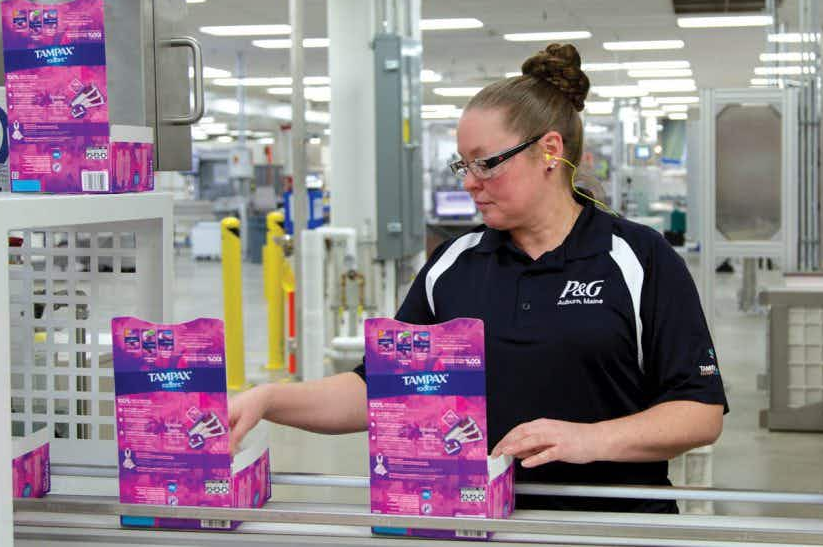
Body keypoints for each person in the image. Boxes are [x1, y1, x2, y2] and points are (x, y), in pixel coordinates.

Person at [229, 43, 727, 513]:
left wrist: (589, 439)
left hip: (612, 525)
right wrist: (269, 398)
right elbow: (379, 389)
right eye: (462, 165)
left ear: (550, 151)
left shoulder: (638, 258)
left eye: (486, 163)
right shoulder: (454, 265)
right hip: (479, 521)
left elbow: (699, 411)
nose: (469, 182)